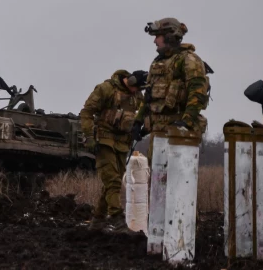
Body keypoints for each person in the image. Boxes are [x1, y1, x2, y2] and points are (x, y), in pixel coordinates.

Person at [131, 18, 210, 163]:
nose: (155, 41)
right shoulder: (158, 62)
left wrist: (185, 123)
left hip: (178, 135)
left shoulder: (189, 59)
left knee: (176, 179)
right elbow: (148, 96)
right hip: (158, 133)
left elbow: (197, 93)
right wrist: (138, 122)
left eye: (157, 36)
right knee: (156, 179)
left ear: (169, 36)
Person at [80, 69, 148, 231]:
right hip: (104, 140)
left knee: (113, 181)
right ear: (130, 81)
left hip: (123, 143)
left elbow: (142, 113)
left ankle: (98, 219)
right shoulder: (105, 89)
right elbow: (87, 112)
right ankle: (117, 218)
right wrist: (89, 136)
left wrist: (141, 129)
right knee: (113, 181)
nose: (137, 91)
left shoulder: (137, 95)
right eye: (136, 87)